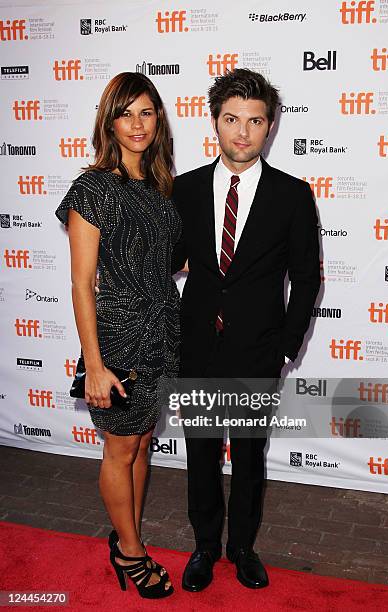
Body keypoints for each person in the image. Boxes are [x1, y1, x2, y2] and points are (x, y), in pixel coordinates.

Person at [172, 68, 321, 591]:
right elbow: (168, 259)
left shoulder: (293, 195)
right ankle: (205, 546)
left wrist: (285, 347)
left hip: (259, 350)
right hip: (196, 345)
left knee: (250, 455)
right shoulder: (184, 189)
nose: (242, 132)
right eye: (231, 119)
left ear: (270, 126)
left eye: (254, 121)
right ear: (214, 121)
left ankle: (243, 547)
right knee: (201, 452)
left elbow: (305, 279)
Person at [56, 72, 180, 599]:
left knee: (143, 442)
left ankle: (128, 534)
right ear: (108, 121)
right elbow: (82, 284)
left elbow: (168, 263)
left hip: (162, 333)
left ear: (158, 121)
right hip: (119, 337)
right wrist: (95, 363)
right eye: (125, 112)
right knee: (120, 447)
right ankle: (130, 553)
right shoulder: (92, 187)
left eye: (146, 112)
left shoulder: (160, 186)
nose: (136, 124)